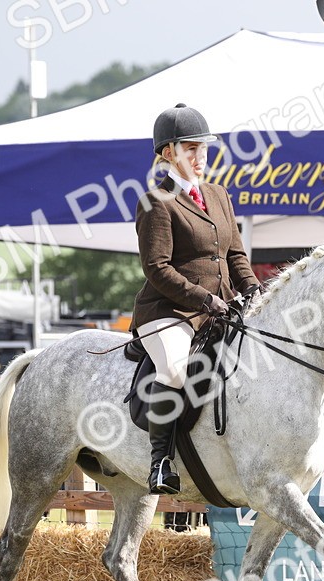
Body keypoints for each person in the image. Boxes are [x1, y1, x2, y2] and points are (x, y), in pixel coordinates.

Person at [131, 103, 262, 495]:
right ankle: (160, 463)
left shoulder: (219, 195)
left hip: (219, 308)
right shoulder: (156, 201)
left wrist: (254, 289)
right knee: (173, 369)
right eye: (191, 149)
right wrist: (204, 299)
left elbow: (235, 255)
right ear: (168, 153)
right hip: (169, 310)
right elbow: (157, 268)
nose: (200, 156)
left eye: (203, 148)